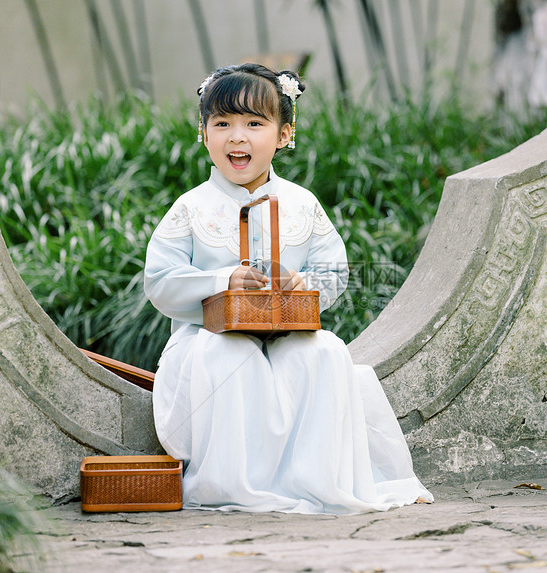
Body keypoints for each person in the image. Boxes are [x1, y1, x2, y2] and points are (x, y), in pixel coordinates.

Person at [144, 63, 432, 514]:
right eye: (222, 124)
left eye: (254, 124)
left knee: (324, 352)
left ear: (283, 134)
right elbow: (160, 281)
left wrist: (304, 283)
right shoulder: (191, 208)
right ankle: (236, 484)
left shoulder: (302, 203)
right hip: (209, 340)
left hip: (289, 330)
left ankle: (314, 480)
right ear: (204, 134)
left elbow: (332, 269)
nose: (237, 137)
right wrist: (223, 280)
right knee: (230, 357)